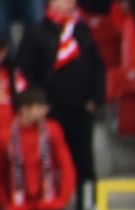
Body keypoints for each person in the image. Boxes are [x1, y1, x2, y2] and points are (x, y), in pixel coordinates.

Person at [15, 0, 105, 186]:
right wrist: (39, 103)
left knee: (84, 164)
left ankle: (87, 202)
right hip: (51, 111)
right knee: (51, 163)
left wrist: (95, 98)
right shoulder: (36, 33)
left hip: (81, 110)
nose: (71, 2)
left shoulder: (81, 32)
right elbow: (25, 71)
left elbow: (97, 67)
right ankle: (51, 202)